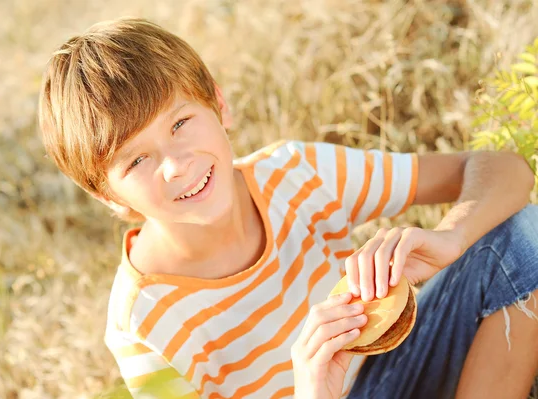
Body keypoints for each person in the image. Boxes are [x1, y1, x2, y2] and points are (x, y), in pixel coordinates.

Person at [37, 17, 538, 399]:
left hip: (396, 367)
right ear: (109, 198)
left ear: (219, 104)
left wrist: (451, 238)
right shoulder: (141, 322)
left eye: (180, 123)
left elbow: (503, 170)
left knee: (528, 237)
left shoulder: (293, 173)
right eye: (136, 159)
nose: (175, 164)